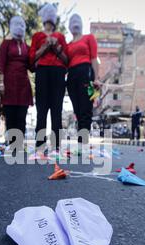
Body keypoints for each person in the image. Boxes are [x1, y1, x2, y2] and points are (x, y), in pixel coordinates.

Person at [29, 3, 68, 154]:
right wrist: (45, 46)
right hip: (42, 72)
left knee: (57, 109)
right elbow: (32, 58)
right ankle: (40, 144)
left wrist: (57, 48)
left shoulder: (60, 36)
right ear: (44, 20)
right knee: (41, 109)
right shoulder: (37, 36)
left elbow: (66, 60)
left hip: (58, 73)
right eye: (48, 18)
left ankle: (56, 145)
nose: (50, 21)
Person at [0, 16, 33, 149]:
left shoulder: (27, 47)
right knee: (11, 114)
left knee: (21, 115)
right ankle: (12, 143)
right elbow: (1, 63)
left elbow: (31, 66)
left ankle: (19, 143)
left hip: (23, 84)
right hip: (9, 83)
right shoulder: (6, 44)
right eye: (17, 25)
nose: (20, 28)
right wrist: (1, 82)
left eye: (22, 26)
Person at [66, 13, 100, 147]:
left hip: (87, 74)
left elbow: (94, 58)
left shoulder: (89, 38)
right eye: (72, 21)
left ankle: (83, 143)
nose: (75, 23)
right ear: (69, 27)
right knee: (78, 111)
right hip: (71, 78)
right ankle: (81, 141)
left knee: (87, 109)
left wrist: (96, 78)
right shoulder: (67, 45)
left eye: (77, 21)